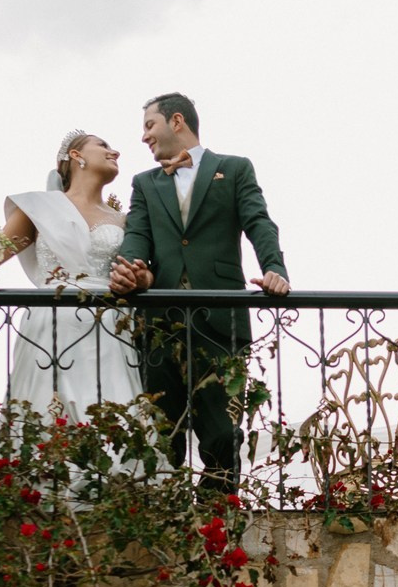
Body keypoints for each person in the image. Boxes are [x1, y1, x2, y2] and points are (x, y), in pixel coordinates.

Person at [107, 92, 288, 488]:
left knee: (222, 434)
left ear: (176, 121)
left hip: (220, 322)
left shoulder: (234, 168)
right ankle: (167, 514)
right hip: (159, 325)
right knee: (163, 435)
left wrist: (274, 269)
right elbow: (137, 236)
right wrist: (130, 268)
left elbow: (258, 222)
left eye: (149, 125)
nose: (143, 136)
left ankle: (217, 514)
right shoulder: (145, 183)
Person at [0, 130, 149, 428]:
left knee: (112, 414)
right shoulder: (39, 208)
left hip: (108, 327)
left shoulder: (124, 221)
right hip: (50, 326)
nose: (115, 152)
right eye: (103, 145)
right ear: (76, 155)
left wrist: (140, 279)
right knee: (45, 413)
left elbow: (142, 270)